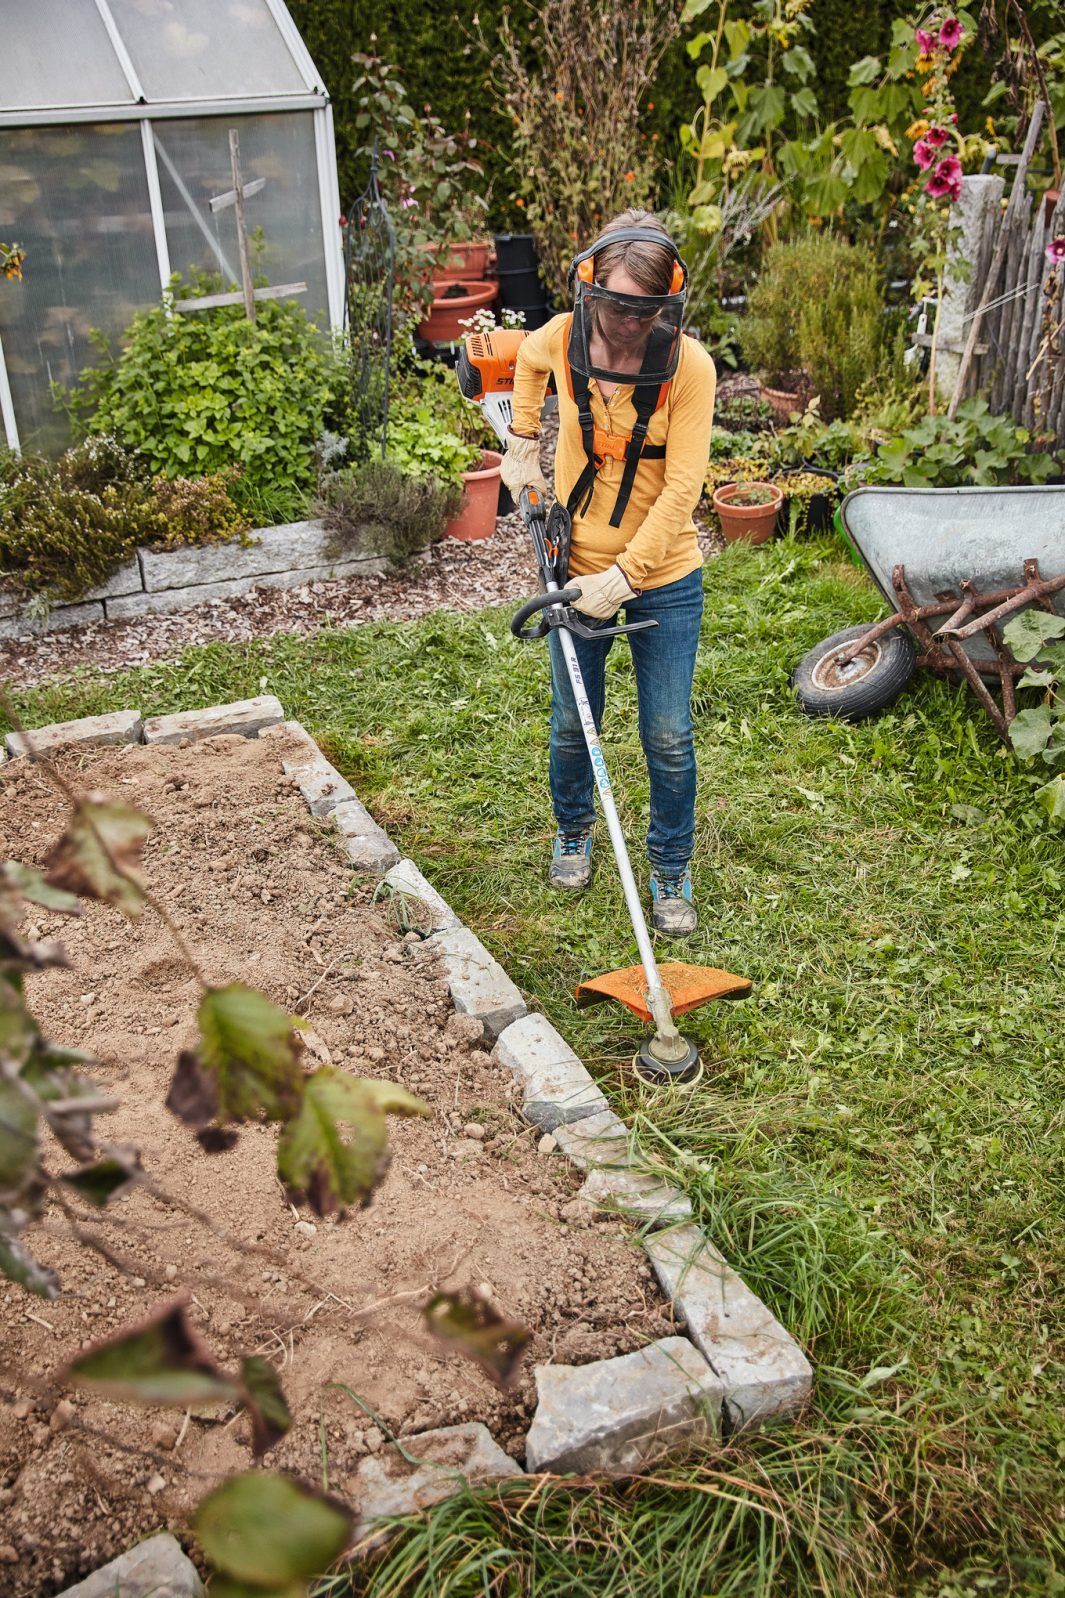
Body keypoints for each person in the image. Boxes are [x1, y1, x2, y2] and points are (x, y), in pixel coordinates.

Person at [500, 208, 715, 937]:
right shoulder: (563, 336)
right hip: (572, 564)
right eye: (620, 306)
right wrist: (522, 439)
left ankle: (669, 867)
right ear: (592, 289)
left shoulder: (689, 366)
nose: (630, 323)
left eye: (646, 310)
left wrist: (626, 579)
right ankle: (572, 832)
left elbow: (682, 489)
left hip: (664, 574)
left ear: (667, 306)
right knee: (571, 723)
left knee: (667, 735)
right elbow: (524, 358)